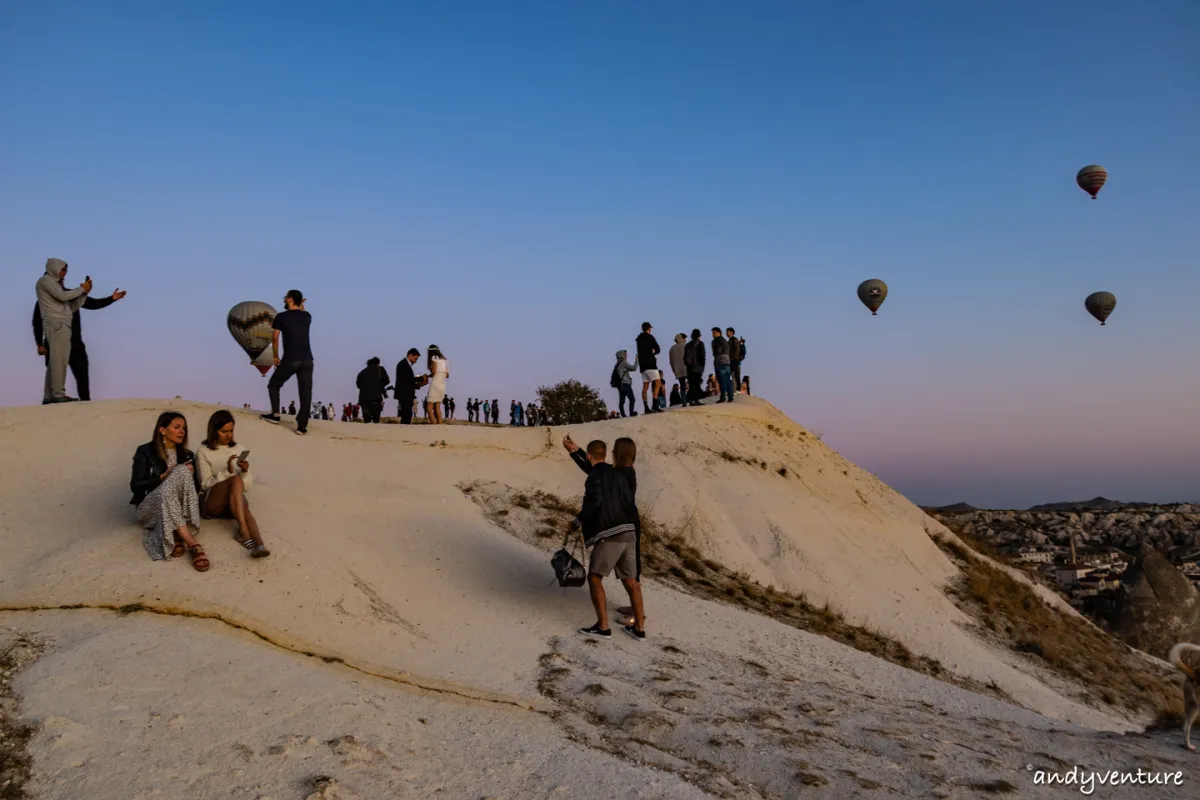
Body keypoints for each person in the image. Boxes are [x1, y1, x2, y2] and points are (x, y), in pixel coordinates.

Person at [562, 435, 646, 641]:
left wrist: (578, 522)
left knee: (594, 577)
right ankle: (639, 629)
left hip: (613, 530)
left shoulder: (622, 473)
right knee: (631, 579)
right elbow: (596, 468)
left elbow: (595, 481)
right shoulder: (617, 473)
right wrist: (576, 451)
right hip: (630, 529)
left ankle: (603, 627)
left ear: (618, 453)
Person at [129, 412, 208, 571]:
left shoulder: (187, 455)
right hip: (149, 508)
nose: (182, 431)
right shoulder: (145, 451)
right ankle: (192, 543)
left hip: (175, 509)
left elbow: (192, 495)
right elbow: (135, 486)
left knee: (183, 471)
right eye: (177, 427)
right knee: (179, 472)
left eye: (184, 428)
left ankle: (174, 532)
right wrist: (162, 477)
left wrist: (191, 476)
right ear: (162, 430)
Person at [32, 278, 125, 403]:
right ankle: (49, 404)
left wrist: (111, 299)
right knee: (54, 376)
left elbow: (93, 304)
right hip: (54, 345)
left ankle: (86, 405)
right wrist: (40, 344)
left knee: (82, 376)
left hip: (75, 345)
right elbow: (37, 323)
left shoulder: (72, 296)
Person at [196, 410, 270, 558]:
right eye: (224, 431)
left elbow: (246, 487)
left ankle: (259, 544)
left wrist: (244, 472)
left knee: (241, 496)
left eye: (231, 431)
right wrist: (228, 472)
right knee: (234, 480)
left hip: (234, 505)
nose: (228, 435)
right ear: (214, 431)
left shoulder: (239, 449)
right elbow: (204, 484)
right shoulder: (203, 451)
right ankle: (243, 531)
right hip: (212, 503)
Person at [35, 258, 94, 403]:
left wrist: (84, 294)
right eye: (62, 269)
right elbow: (62, 296)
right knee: (60, 360)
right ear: (54, 268)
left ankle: (50, 395)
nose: (65, 273)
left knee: (54, 361)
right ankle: (58, 395)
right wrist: (80, 289)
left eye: (66, 270)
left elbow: (69, 308)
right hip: (57, 324)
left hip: (61, 323)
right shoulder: (46, 281)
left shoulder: (54, 285)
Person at [261, 290, 313, 435]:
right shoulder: (307, 316)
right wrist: (301, 304)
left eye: (286, 298)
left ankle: (276, 414)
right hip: (308, 359)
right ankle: (302, 427)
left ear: (290, 299)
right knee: (306, 393)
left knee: (274, 384)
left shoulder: (281, 317)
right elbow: (301, 314)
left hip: (291, 358)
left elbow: (275, 338)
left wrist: (276, 356)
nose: (284, 300)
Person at [635, 322, 663, 414]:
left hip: (642, 365)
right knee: (658, 382)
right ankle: (655, 405)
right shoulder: (650, 337)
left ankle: (646, 407)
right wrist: (653, 353)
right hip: (650, 363)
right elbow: (658, 349)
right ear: (648, 328)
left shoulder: (638, 339)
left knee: (645, 386)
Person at [393, 348, 425, 424]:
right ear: (410, 355)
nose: (415, 361)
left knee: (407, 414)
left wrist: (418, 385)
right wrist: (421, 378)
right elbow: (407, 379)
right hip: (404, 393)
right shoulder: (403, 364)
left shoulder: (405, 365)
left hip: (407, 393)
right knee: (406, 414)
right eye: (415, 358)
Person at [356, 357, 390, 424]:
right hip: (376, 399)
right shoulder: (380, 369)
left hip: (364, 400)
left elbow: (358, 385)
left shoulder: (361, 373)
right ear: (378, 363)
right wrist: (380, 386)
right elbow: (387, 380)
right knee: (376, 422)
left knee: (366, 421)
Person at [424, 345, 450, 424]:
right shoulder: (445, 360)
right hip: (442, 385)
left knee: (429, 408)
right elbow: (447, 375)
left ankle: (434, 423)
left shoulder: (434, 358)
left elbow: (434, 372)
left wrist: (428, 375)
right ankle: (439, 424)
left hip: (435, 383)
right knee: (437, 408)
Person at [612, 350, 638, 418]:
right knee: (632, 399)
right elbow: (634, 368)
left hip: (620, 385)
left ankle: (623, 414)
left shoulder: (617, 364)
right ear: (622, 355)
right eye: (625, 354)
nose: (626, 356)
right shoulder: (623, 363)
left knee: (622, 401)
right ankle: (631, 413)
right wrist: (637, 360)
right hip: (626, 383)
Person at [684, 329, 706, 407]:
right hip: (697, 367)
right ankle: (696, 400)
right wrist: (702, 367)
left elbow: (684, 357)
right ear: (699, 336)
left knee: (691, 384)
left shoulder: (688, 344)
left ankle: (690, 400)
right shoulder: (700, 344)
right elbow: (702, 356)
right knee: (696, 385)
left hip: (689, 368)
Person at [711, 327, 734, 403]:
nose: (713, 334)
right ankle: (730, 396)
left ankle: (723, 397)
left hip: (720, 362)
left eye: (714, 332)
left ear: (719, 332)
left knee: (721, 380)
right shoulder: (724, 340)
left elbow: (716, 352)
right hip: (727, 361)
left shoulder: (716, 341)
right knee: (727, 379)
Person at [668, 333, 688, 401]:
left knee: (682, 386)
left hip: (678, 370)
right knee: (691, 383)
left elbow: (671, 362)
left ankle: (684, 401)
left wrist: (675, 371)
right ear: (682, 338)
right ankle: (692, 400)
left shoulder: (672, 349)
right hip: (687, 368)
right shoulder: (686, 346)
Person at [727, 328, 742, 394]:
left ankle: (737, 389)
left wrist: (734, 357)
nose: (726, 333)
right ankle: (732, 389)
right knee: (730, 375)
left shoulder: (734, 340)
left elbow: (737, 349)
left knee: (736, 375)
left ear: (731, 332)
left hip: (734, 360)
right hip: (730, 360)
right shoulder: (729, 340)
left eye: (728, 332)